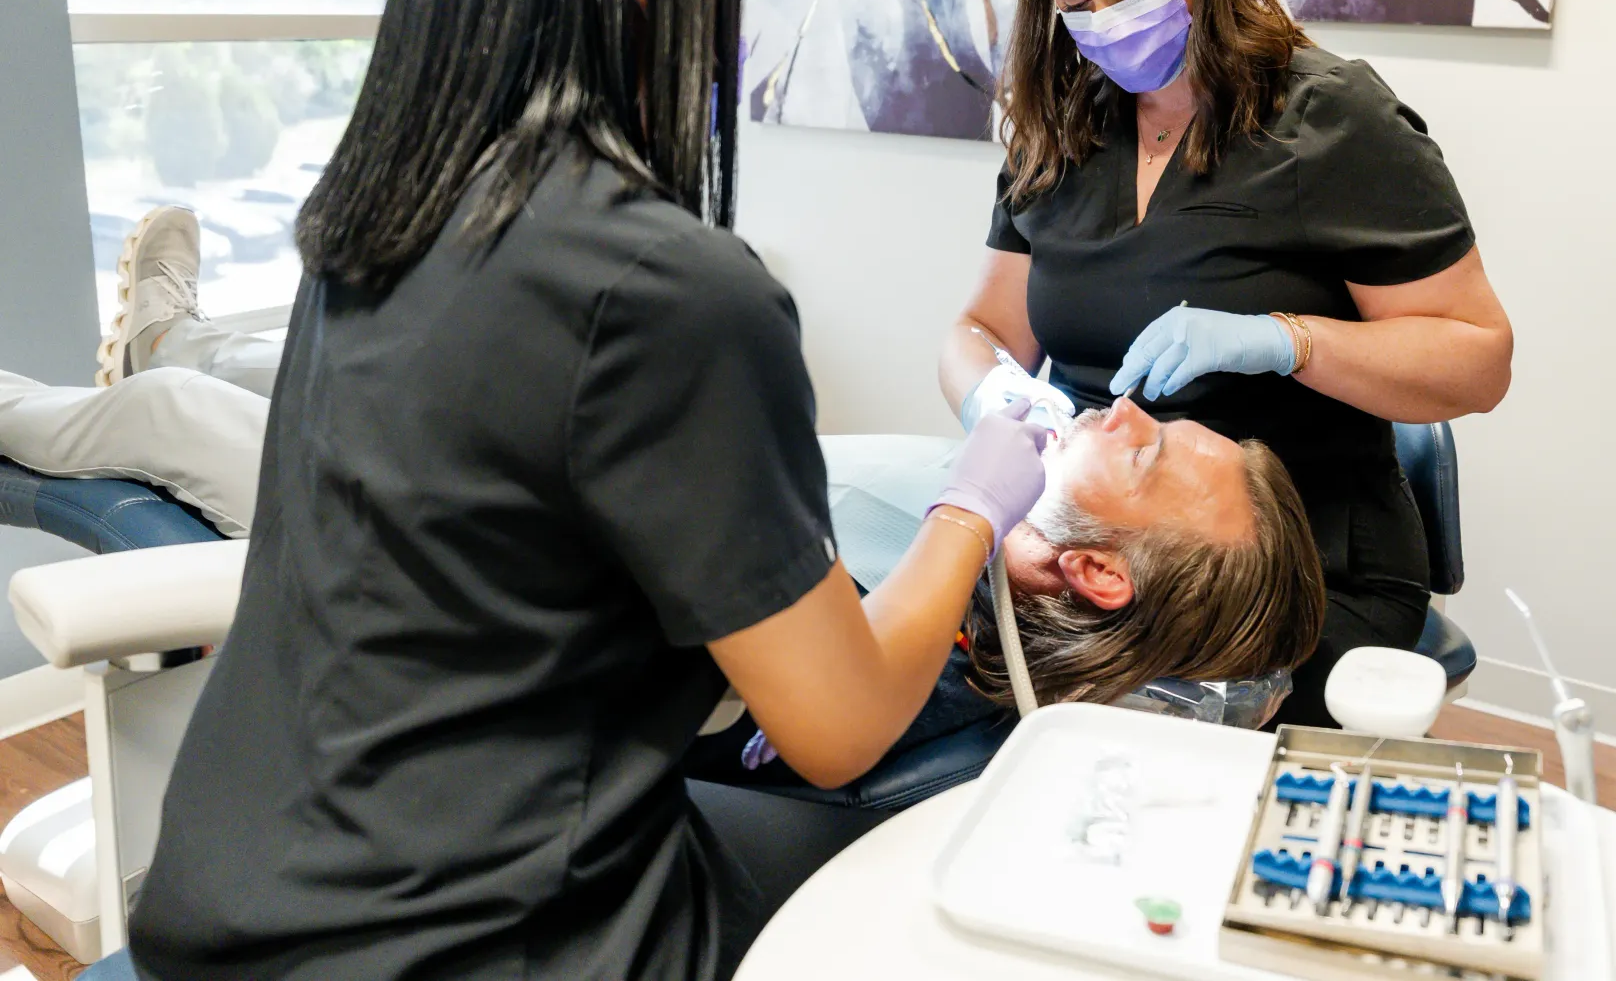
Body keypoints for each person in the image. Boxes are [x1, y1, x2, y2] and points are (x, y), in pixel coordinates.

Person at [122, 0, 1053, 981]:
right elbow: (839, 728)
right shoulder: (672, 291)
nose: (732, 34)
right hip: (455, 941)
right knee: (937, 873)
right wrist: (973, 505)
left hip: (231, 894)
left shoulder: (371, 220)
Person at [2, 220, 1325, 739]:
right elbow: (1240, 675)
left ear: (1097, 568)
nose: (1129, 404)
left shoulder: (927, 592)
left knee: (178, 411)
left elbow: (804, 696)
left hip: (437, 525)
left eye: (1150, 447)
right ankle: (171, 326)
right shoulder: (1002, 497)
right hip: (548, 460)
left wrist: (978, 509)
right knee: (318, 342)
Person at [939, 0, 1514, 728]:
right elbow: (982, 332)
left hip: (1293, 565)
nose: (1104, 25)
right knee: (937, 659)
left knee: (1099, 733)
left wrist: (1286, 342)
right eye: (1074, 4)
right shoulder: (1061, 127)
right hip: (1099, 550)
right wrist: (994, 400)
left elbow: (1479, 360)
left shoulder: (1330, 122)